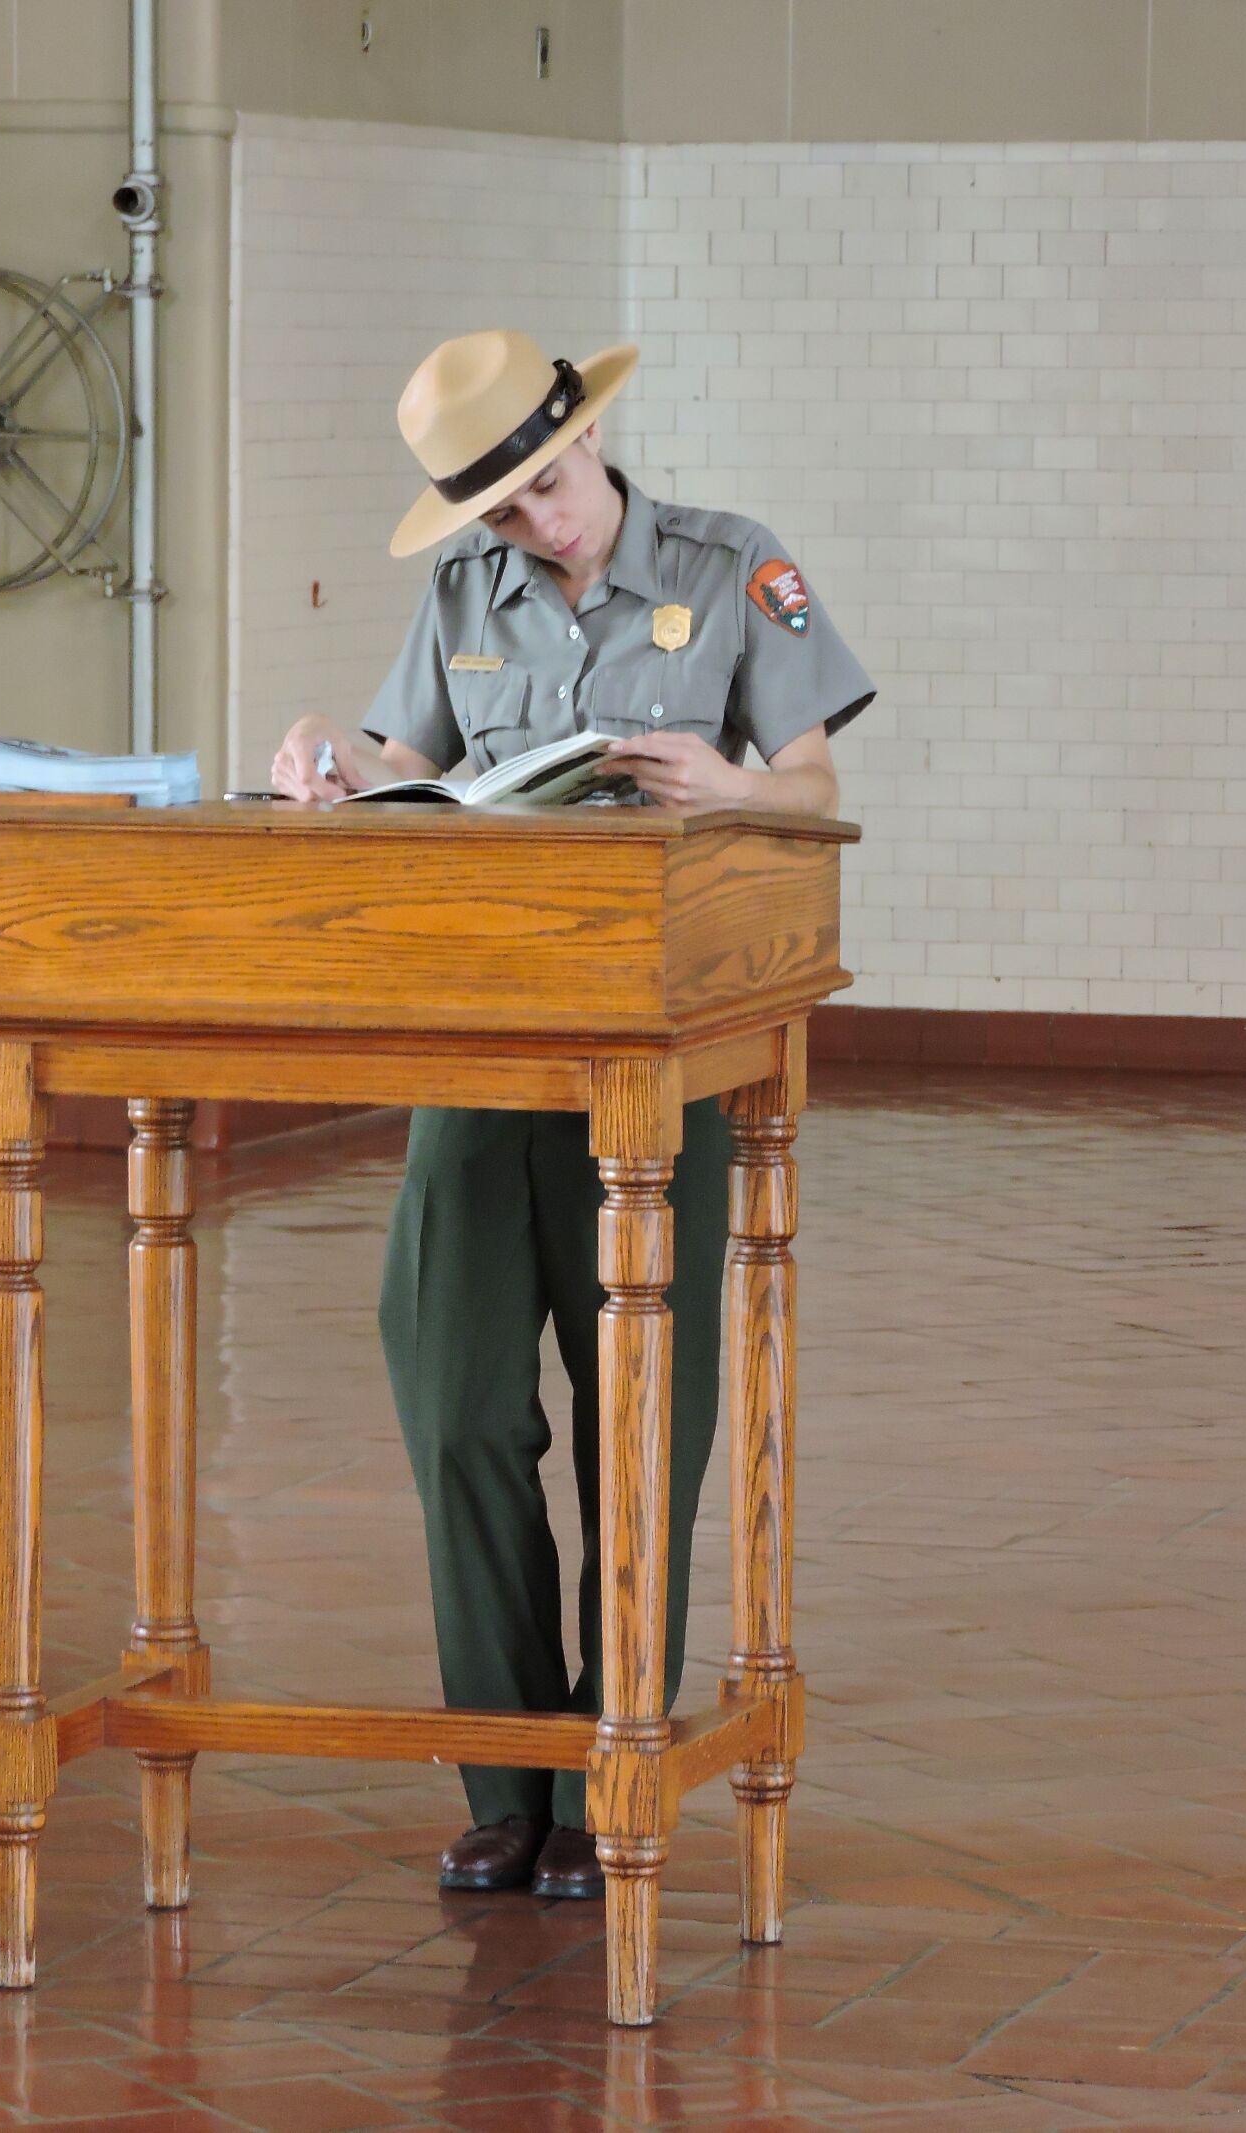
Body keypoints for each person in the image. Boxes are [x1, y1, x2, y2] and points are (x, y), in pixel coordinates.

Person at [272, 329, 873, 1900]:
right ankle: (506, 1777)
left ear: (593, 441)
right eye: (501, 510)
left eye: (546, 485)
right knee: (461, 1410)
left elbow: (814, 790)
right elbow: (410, 768)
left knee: (637, 1433)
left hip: (652, 1072)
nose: (537, 524)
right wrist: (335, 774)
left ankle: (611, 1757)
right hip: (480, 1059)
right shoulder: (461, 598)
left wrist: (727, 789)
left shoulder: (734, 566)